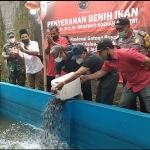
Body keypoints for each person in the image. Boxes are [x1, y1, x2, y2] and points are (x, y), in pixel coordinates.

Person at [81, 38, 150, 113]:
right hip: (131, 84)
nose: (100, 55)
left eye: (100, 52)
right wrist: (86, 77)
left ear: (107, 49)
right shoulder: (109, 61)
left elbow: (147, 61)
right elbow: (101, 72)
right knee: (122, 106)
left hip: (145, 82)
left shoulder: (126, 53)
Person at [52, 44, 119, 105]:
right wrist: (55, 86)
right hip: (101, 78)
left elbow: (77, 73)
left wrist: (63, 82)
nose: (78, 58)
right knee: (99, 100)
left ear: (84, 52)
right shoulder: (84, 58)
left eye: (78, 56)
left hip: (110, 77)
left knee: (105, 101)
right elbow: (98, 73)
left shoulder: (90, 59)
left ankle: (105, 116)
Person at [114, 17, 149, 112]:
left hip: (144, 74)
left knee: (145, 101)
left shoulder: (142, 36)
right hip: (129, 75)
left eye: (120, 28)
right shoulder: (118, 40)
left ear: (128, 26)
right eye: (117, 29)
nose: (118, 31)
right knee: (129, 102)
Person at [45, 25, 68, 92]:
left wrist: (53, 43)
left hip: (62, 70)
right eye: (51, 34)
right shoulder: (47, 41)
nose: (52, 35)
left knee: (62, 90)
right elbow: (46, 52)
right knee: (51, 90)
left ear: (58, 32)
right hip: (51, 70)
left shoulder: (64, 40)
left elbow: (64, 48)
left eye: (54, 34)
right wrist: (49, 44)